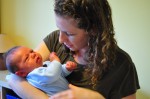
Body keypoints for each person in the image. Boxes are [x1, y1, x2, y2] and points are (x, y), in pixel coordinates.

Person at [7, 0, 140, 99]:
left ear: (93, 30)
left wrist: (96, 98)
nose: (60, 39)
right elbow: (15, 78)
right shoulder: (54, 40)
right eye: (59, 29)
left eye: (69, 34)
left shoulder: (122, 65)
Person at [5, 46, 77, 96]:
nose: (33, 55)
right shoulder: (34, 75)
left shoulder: (46, 64)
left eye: (32, 51)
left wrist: (67, 68)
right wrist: (55, 60)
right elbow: (52, 74)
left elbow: (59, 73)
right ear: (22, 73)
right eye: (27, 58)